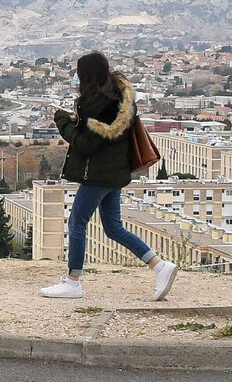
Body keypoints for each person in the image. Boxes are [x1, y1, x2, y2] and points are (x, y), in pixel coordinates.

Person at [40, 51, 178, 301]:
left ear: (86, 75)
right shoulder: (119, 96)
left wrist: (62, 121)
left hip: (99, 174)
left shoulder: (98, 104)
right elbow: (99, 136)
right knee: (113, 228)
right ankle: (159, 266)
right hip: (115, 172)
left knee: (76, 223)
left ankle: (73, 281)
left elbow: (85, 144)